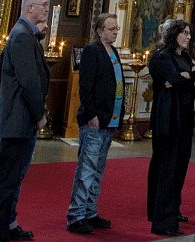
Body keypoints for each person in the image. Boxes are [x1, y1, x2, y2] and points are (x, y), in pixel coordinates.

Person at [0, 0, 51, 242]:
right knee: (5, 179)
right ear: (29, 7)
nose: (47, 8)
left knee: (13, 177)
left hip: (21, 119)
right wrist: (40, 115)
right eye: (43, 4)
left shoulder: (27, 35)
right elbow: (29, 82)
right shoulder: (22, 36)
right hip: (19, 119)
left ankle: (6, 226)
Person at [67, 12, 124, 234]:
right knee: (87, 168)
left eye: (117, 28)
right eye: (111, 29)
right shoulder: (92, 51)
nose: (115, 32)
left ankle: (90, 211)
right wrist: (91, 114)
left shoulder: (113, 52)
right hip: (95, 119)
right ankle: (76, 215)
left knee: (98, 168)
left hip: (110, 118)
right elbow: (85, 86)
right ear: (100, 31)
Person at [149, 19, 195, 235]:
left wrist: (188, 77)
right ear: (174, 35)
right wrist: (186, 77)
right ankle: (163, 221)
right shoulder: (163, 57)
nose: (188, 36)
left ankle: (172, 211)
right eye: (185, 33)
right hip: (169, 118)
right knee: (168, 169)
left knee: (180, 166)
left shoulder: (184, 56)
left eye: (189, 33)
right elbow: (175, 80)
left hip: (185, 118)